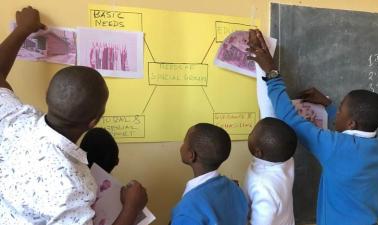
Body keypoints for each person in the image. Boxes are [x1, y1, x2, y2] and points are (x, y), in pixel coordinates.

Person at [0, 6, 147, 225]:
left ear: (46, 95)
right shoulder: (75, 185)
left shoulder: (15, 118)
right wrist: (131, 208)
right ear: (93, 122)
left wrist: (23, 29)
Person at [247, 29, 378, 225]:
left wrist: (271, 71)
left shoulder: (335, 148)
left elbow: (289, 118)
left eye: (340, 110)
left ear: (351, 123)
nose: (336, 114)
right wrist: (328, 106)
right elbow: (350, 132)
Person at [171, 123, 248, 225]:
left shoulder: (188, 211)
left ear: (191, 155)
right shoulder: (234, 187)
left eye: (184, 142)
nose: (181, 146)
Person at [244, 117, 297, 225]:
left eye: (251, 133)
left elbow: (262, 222)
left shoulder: (263, 187)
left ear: (258, 152)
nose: (249, 135)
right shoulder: (287, 161)